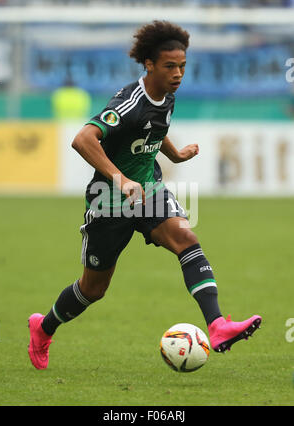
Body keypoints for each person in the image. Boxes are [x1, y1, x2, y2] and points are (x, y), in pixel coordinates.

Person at [28, 21, 261, 370]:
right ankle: (43, 329)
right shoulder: (127, 103)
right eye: (170, 66)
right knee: (93, 289)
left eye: (182, 65)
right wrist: (120, 179)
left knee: (185, 237)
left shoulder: (167, 93)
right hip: (109, 202)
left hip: (149, 191)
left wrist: (175, 154)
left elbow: (155, 128)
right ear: (149, 64)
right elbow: (83, 139)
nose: (178, 73)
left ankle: (217, 325)